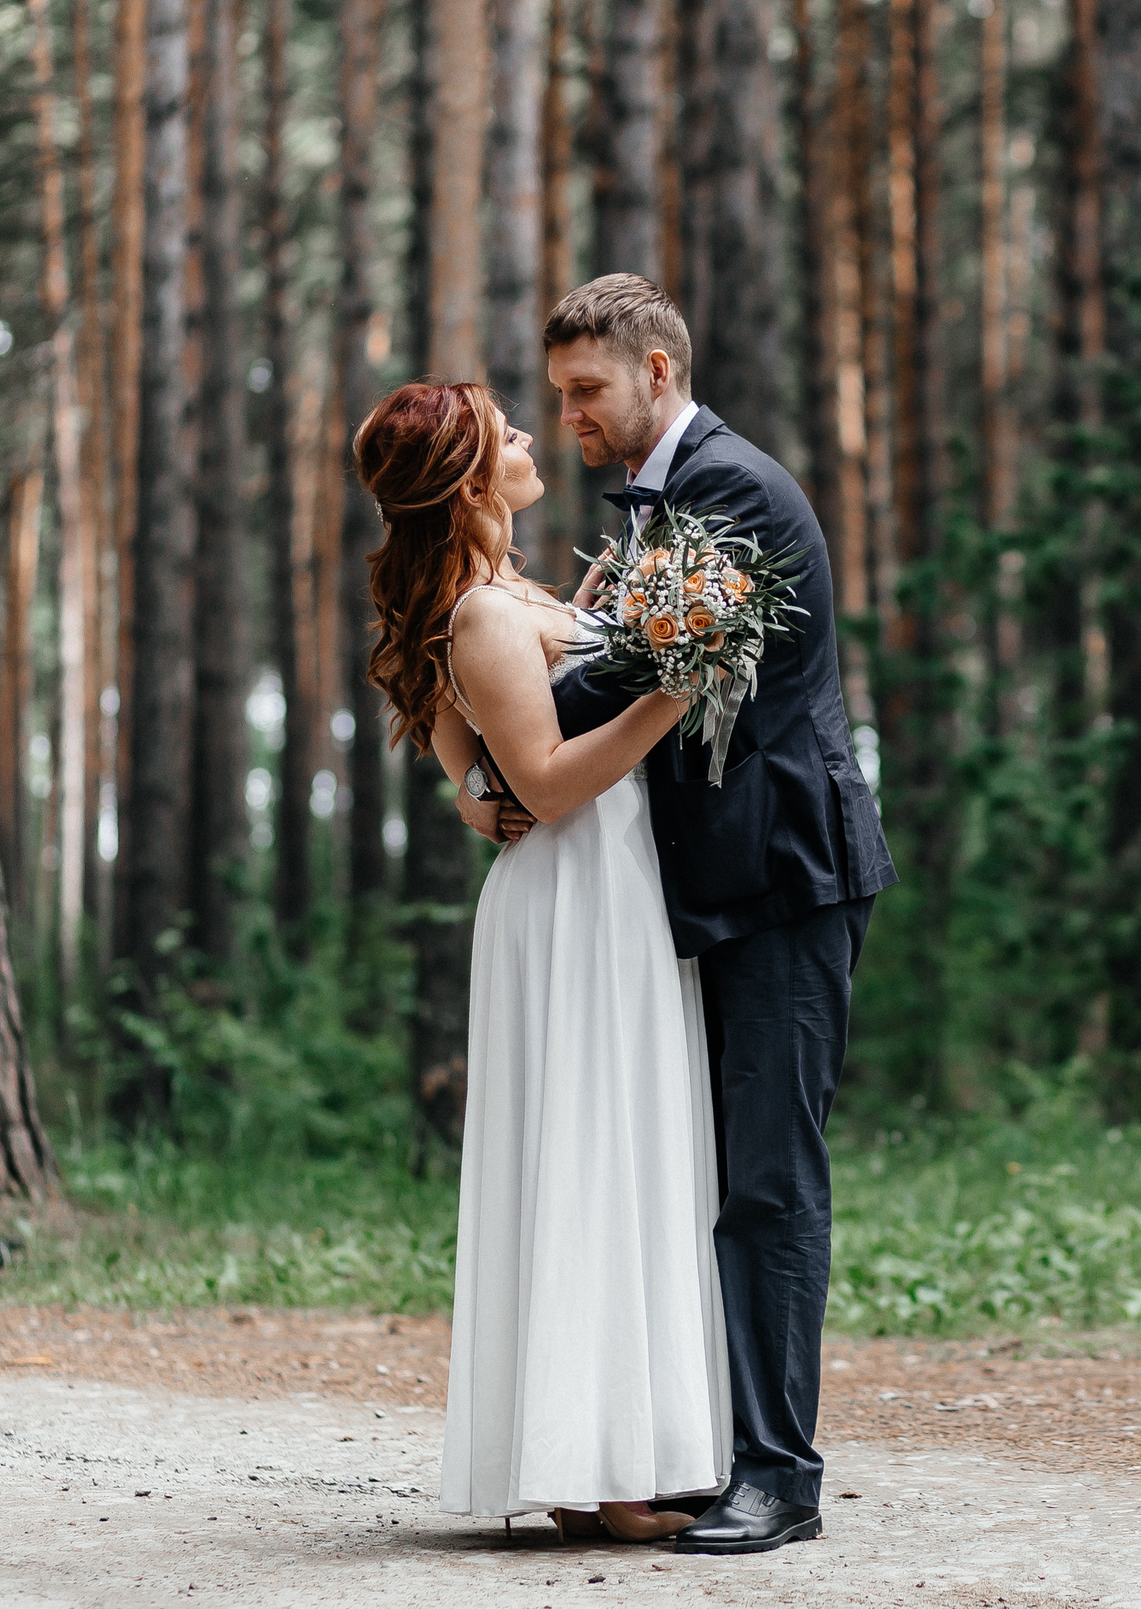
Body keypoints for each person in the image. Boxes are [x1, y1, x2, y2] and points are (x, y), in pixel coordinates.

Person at [461, 273, 895, 1555]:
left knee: (766, 1181)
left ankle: (780, 1476)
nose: (573, 417)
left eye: (587, 392)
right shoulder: (666, 504)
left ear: (657, 373)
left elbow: (637, 686)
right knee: (709, 1175)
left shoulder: (732, 493)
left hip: (785, 877)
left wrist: (507, 762)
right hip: (703, 888)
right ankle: (708, 1450)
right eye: (560, 399)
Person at [358, 379, 725, 1543]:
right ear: (470, 476)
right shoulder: (477, 612)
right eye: (505, 430)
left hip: (613, 890)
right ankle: (604, 1481)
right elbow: (553, 786)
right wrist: (679, 683)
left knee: (623, 1153)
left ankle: (603, 1452)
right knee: (587, 1156)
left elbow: (487, 758)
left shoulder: (511, 595)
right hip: (572, 898)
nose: (527, 437)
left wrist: (476, 786)